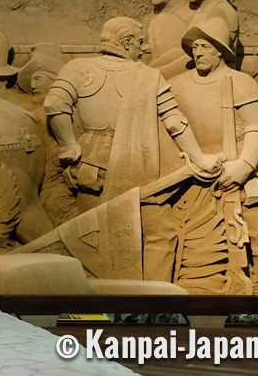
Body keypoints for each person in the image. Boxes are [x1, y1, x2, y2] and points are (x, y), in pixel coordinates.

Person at [45, 16, 218, 281]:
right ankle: (149, 302)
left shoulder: (76, 68)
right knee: (158, 235)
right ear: (126, 43)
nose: (144, 48)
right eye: (139, 42)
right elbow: (174, 121)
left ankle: (130, 300)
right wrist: (199, 158)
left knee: (96, 238)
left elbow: (54, 105)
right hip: (138, 166)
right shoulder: (148, 76)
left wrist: (69, 144)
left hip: (92, 164)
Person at [167, 21, 258, 292]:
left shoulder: (240, 82)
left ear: (220, 51)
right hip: (194, 179)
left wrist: (244, 166)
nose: (199, 52)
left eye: (206, 46)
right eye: (195, 47)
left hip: (243, 175)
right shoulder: (176, 85)